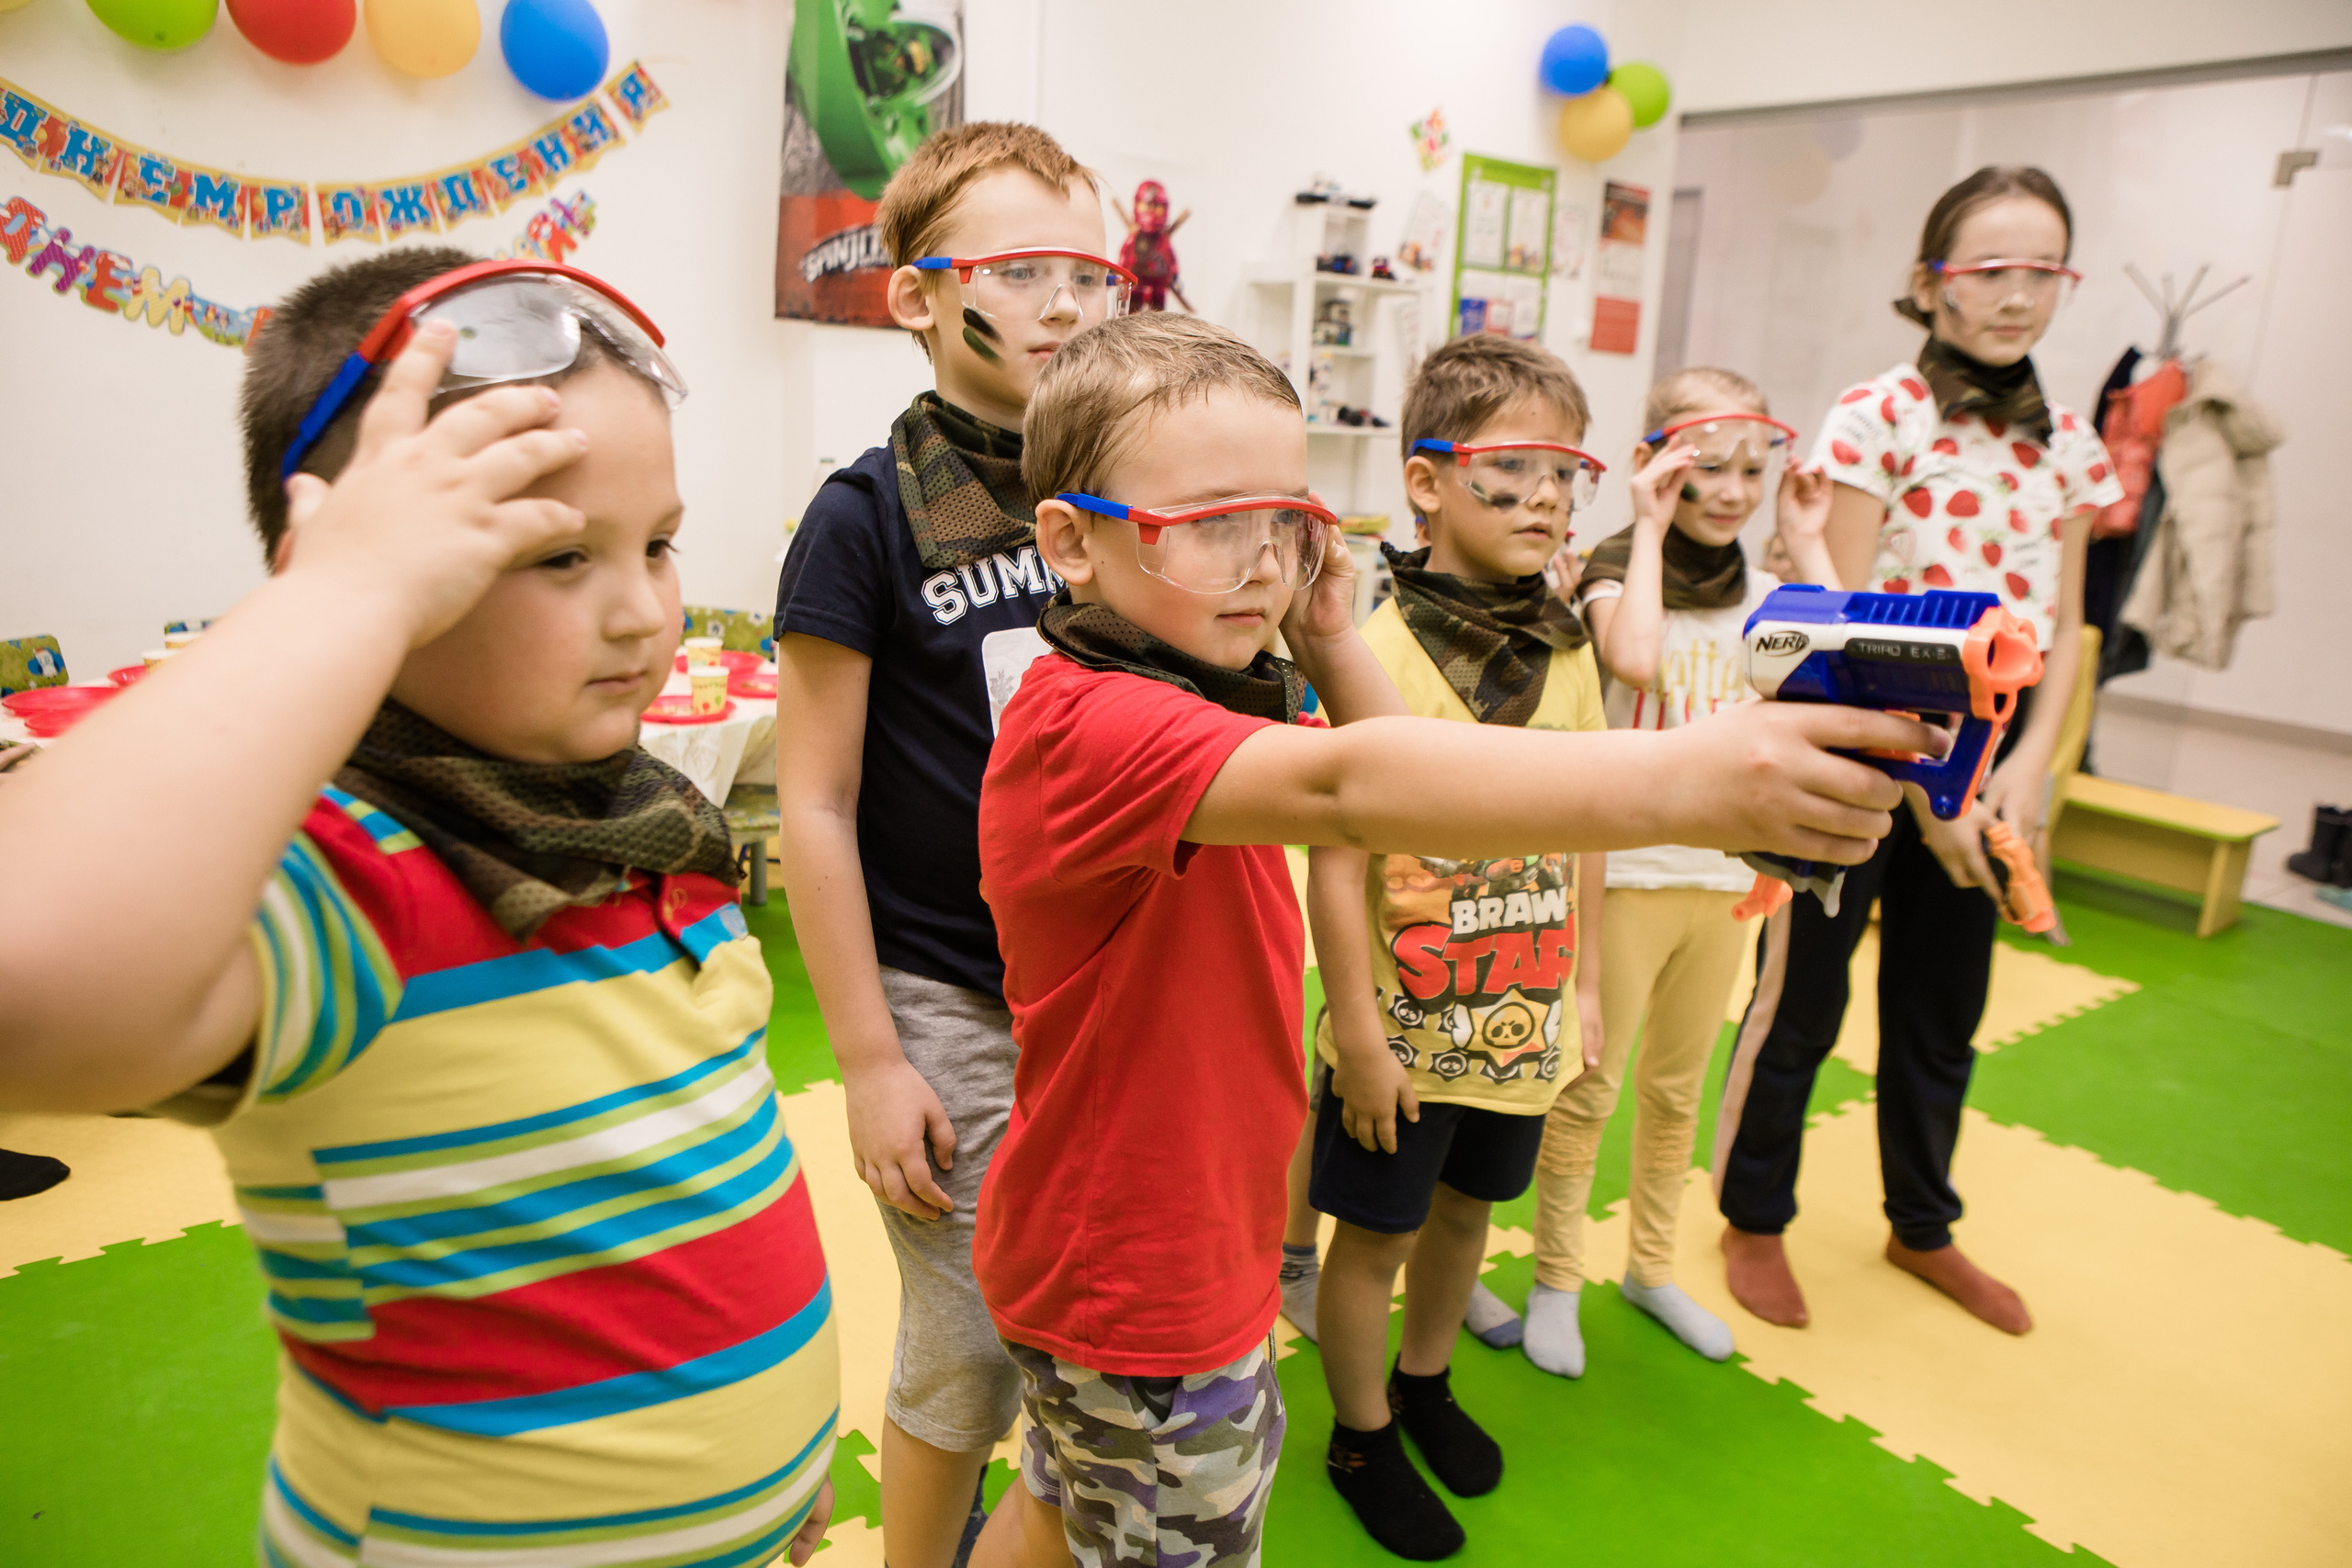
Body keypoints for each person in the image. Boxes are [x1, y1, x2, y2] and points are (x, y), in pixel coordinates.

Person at [967, 311, 1941, 1566]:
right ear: (1070, 542)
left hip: (1145, 1243)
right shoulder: (1093, 723)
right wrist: (1692, 781)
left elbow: (1400, 801)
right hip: (1143, 1276)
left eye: (1284, 520)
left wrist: (1326, 634)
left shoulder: (1194, 683)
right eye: (1210, 522)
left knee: (1057, 1509)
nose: (1261, 563)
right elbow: (1356, 790)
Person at [0, 249, 840, 1563]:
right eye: (558, 555)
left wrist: (779, 1450)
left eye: (658, 544)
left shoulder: (638, 825)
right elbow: (35, 985)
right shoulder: (351, 879)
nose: (642, 610)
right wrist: (339, 596)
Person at [771, 120, 1126, 1568]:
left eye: (1092, 274)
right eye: (1023, 270)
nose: (1068, 303)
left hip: (1103, 982)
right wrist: (867, 1057)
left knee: (1092, 1314)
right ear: (919, 295)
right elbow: (814, 799)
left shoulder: (1118, 501)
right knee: (971, 1334)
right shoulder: (864, 517)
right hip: (945, 989)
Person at [1713, 167, 2122, 1337]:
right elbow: (1838, 619)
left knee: (1943, 1010)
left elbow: (2068, 630)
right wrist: (1926, 785)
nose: (2016, 295)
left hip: (1994, 764)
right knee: (1801, 999)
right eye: (1988, 270)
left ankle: (1922, 1225)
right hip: (1863, 747)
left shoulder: (2072, 443)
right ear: (1929, 282)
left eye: (2041, 270)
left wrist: (2025, 774)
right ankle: (1752, 1216)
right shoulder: (1877, 415)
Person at [1464, 368, 1841, 1382]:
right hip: (1626, 872)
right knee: (1588, 1089)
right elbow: (1632, 658)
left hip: (1725, 880)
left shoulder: (1765, 590)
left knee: (1677, 1092)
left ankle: (1650, 1268)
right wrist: (1647, 520)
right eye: (1708, 467)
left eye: (1753, 471)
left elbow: (1843, 661)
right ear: (1660, 463)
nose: (1732, 491)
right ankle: (1556, 1279)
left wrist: (1808, 541)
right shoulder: (1614, 567)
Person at [1306, 334, 1609, 1561]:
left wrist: (1584, 985)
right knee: (1376, 1234)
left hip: (1521, 1014)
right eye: (1514, 468)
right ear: (1425, 482)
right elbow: (1335, 858)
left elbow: (1590, 819)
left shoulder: (1569, 650)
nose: (1545, 497)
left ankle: (1423, 1381)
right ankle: (1360, 1433)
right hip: (1404, 1031)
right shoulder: (1373, 653)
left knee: (1470, 1215)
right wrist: (1359, 1036)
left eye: (1565, 473)